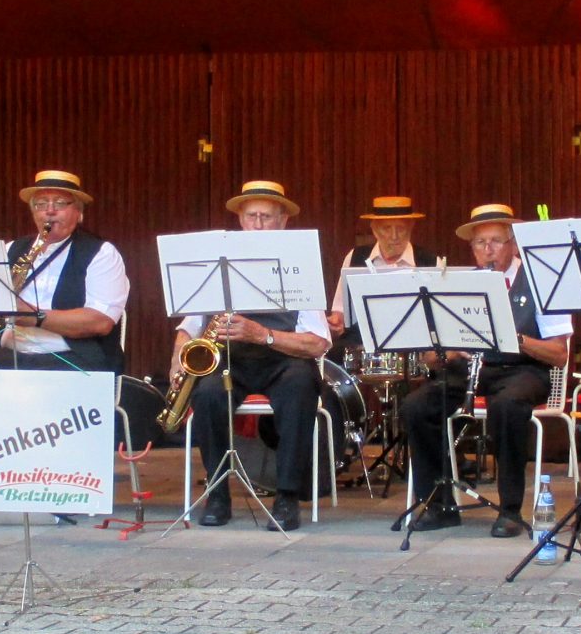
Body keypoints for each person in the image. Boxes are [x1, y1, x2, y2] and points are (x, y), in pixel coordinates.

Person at [399, 203, 572, 537]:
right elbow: (433, 357)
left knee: (507, 408)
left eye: (496, 241)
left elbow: (559, 354)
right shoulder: (459, 282)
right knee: (417, 406)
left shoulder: (541, 279)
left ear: (513, 244)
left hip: (523, 370)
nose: (488, 250)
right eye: (480, 243)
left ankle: (509, 509)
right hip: (470, 368)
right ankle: (439, 504)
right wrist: (442, 352)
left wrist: (516, 338)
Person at [178, 179, 329, 532]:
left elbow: (318, 342)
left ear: (283, 222)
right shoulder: (216, 264)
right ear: (240, 221)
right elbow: (188, 326)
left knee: (300, 386)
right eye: (252, 217)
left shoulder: (299, 266)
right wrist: (179, 355)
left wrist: (263, 334)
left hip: (283, 359)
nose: (258, 225)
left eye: (267, 217)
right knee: (207, 392)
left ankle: (287, 497)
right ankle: (217, 494)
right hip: (229, 359)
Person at [0, 169, 128, 373]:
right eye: (41, 204)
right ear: (33, 212)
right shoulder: (11, 249)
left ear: (78, 212)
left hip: (69, 362)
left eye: (59, 203)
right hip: (7, 356)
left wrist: (34, 316)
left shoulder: (101, 254)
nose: (49, 211)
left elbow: (100, 321)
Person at [327, 196, 439, 346]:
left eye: (400, 228)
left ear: (411, 227)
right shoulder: (355, 257)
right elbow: (340, 311)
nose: (394, 236)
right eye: (387, 228)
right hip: (362, 341)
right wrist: (336, 321)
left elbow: (438, 319)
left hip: (415, 342)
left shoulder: (430, 261)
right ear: (375, 230)